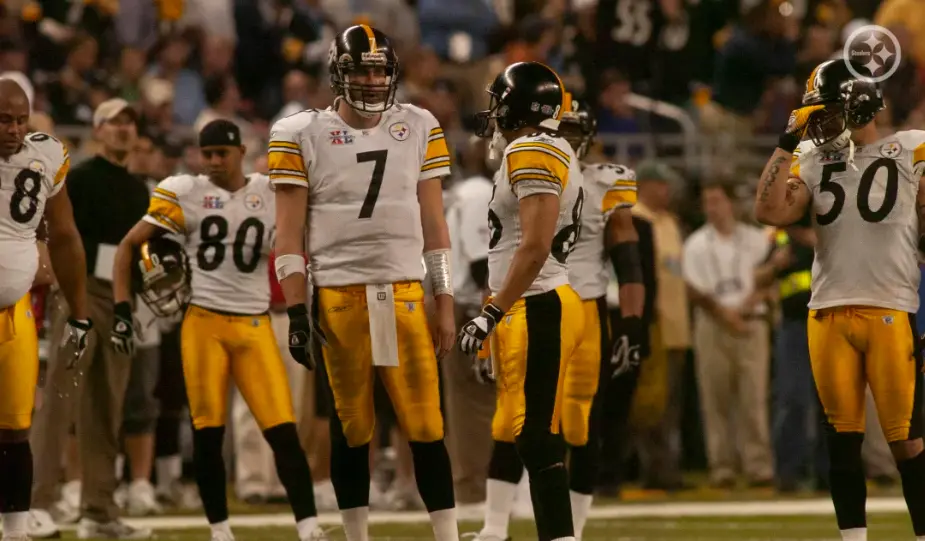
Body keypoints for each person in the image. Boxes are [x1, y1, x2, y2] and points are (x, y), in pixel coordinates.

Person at [271, 25, 459, 541]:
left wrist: (444, 299)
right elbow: (287, 234)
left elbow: (436, 226)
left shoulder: (419, 123)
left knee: (426, 425)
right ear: (339, 73)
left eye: (380, 69)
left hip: (405, 291)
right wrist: (295, 310)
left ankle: (446, 535)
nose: (373, 80)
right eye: (361, 69)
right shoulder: (299, 131)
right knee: (352, 427)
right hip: (339, 293)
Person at [110, 119, 327, 541]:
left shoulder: (269, 190)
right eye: (206, 153)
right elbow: (128, 246)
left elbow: (300, 240)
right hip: (203, 322)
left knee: (282, 429)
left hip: (253, 322)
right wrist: (122, 306)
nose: (212, 162)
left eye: (220, 154)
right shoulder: (184, 191)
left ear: (241, 152)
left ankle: (309, 526)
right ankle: (220, 530)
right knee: (208, 432)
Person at [754, 58, 925, 541]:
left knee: (908, 442)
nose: (819, 123)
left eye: (827, 111)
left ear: (860, 105)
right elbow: (767, 211)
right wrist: (788, 140)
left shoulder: (913, 147)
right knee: (841, 441)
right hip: (826, 312)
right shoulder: (811, 155)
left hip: (891, 306)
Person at [457, 61, 585, 541]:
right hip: (532, 303)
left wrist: (490, 314)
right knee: (526, 432)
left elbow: (534, 246)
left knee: (535, 436)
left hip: (539, 302)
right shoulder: (548, 148)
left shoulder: (531, 149)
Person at [28, 97, 152, 540]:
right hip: (79, 294)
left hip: (119, 299)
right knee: (59, 401)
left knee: (108, 405)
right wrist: (63, 287)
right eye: (113, 123)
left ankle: (99, 509)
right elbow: (54, 233)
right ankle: (35, 504)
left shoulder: (140, 190)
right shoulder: (77, 179)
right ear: (98, 131)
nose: (122, 130)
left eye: (129, 123)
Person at [0, 78, 91, 541]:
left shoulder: (47, 155)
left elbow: (67, 235)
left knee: (16, 428)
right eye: (3, 120)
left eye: (20, 119)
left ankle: (15, 529)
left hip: (16, 313)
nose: (13, 129)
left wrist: (79, 312)